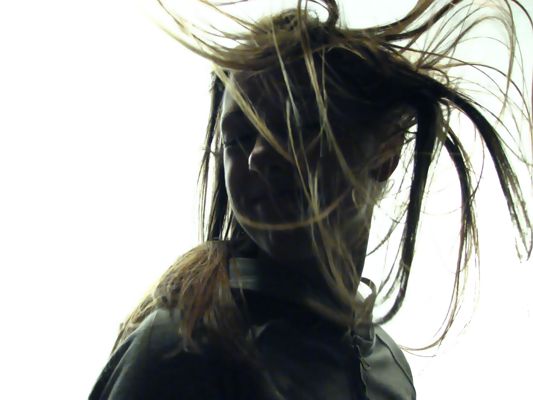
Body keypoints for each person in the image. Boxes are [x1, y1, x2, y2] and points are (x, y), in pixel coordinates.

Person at [89, 1, 531, 399]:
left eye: (298, 124)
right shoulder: (182, 345)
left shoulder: (388, 370)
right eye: (239, 138)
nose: (259, 155)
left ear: (386, 150)